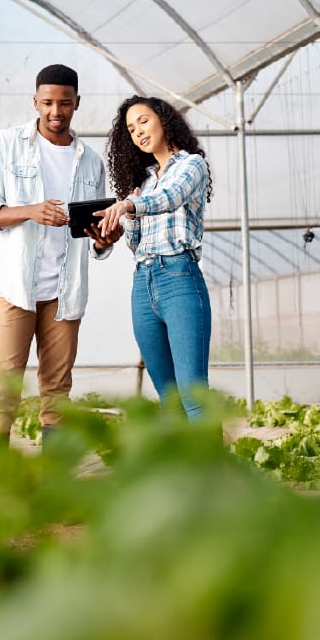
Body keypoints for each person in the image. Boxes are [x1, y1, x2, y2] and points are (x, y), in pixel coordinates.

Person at [0, 64, 122, 443]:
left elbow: (95, 240)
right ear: (35, 102)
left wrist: (105, 238)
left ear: (77, 104)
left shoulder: (90, 160)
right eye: (47, 103)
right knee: (1, 390)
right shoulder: (6, 144)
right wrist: (30, 211)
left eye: (65, 103)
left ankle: (55, 484)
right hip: (14, 288)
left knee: (58, 393)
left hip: (64, 292)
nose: (56, 111)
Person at [96, 95, 212, 422]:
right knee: (169, 398)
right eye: (131, 129)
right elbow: (136, 243)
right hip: (143, 285)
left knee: (194, 397)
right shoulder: (145, 183)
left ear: (164, 119)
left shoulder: (191, 165)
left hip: (179, 278)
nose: (138, 132)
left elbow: (170, 197)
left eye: (143, 121)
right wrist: (125, 218)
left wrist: (131, 206)